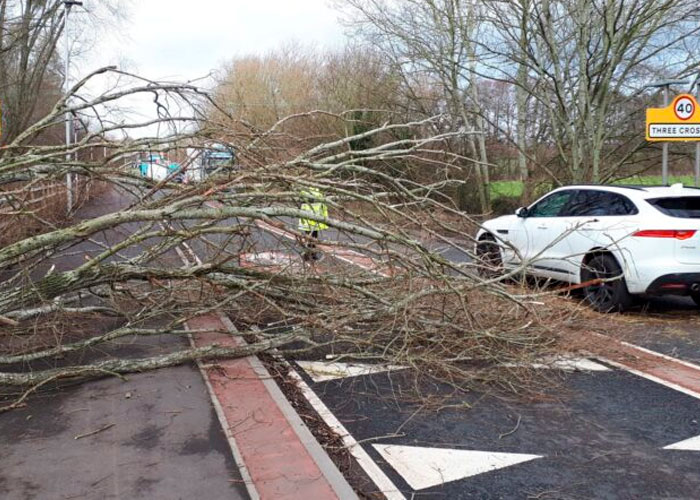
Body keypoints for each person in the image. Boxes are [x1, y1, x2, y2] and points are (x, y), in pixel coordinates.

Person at [298, 186, 328, 261]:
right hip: (314, 220)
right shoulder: (318, 193)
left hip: (307, 220)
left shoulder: (304, 192)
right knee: (312, 238)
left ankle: (310, 254)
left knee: (310, 238)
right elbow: (323, 207)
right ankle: (309, 254)